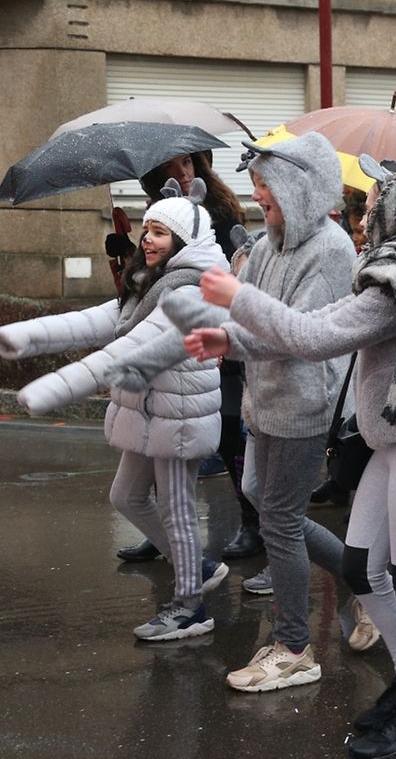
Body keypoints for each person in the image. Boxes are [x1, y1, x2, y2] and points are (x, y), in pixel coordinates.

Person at [182, 162, 396, 759]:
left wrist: (237, 300)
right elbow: (313, 324)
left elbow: (314, 339)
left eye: (373, 209)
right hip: (393, 445)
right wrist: (233, 338)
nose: (363, 221)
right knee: (364, 570)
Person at [161, 132, 363, 692]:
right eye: (255, 188)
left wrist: (233, 335)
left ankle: (295, 646)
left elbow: (302, 336)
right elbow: (249, 319)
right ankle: (360, 581)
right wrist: (220, 336)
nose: (258, 199)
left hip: (305, 404)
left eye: (266, 188)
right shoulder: (270, 243)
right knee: (278, 513)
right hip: (265, 400)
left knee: (278, 518)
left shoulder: (331, 249)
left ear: (299, 189)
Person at [0, 179, 229, 640]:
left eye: (161, 232)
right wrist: (23, 336)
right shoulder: (147, 281)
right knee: (125, 496)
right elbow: (94, 320)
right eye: (147, 229)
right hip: (148, 410)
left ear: (184, 241)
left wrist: (52, 389)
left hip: (178, 414)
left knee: (177, 510)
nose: (147, 239)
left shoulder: (191, 290)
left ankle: (190, 607)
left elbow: (127, 349)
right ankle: (198, 566)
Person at [117, 151, 261, 562]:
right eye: (173, 166)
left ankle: (253, 524)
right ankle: (163, 532)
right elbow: (147, 283)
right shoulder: (156, 212)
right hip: (171, 357)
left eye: (189, 164)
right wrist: (129, 255)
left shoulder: (221, 213)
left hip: (218, 339)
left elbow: (235, 271)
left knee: (232, 431)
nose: (183, 172)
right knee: (160, 437)